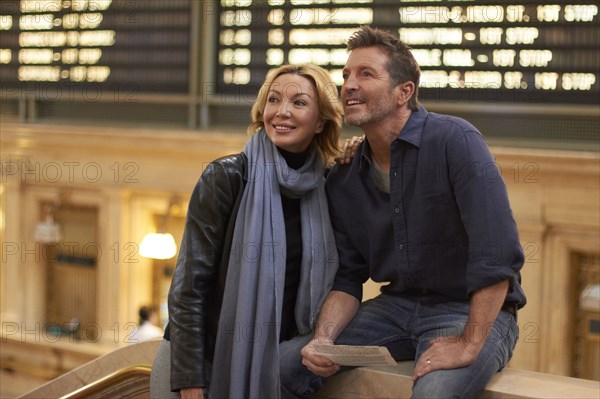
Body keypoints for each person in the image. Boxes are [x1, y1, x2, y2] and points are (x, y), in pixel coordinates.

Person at [279, 26, 526, 399]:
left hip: (468, 310)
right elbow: (347, 278)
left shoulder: (455, 141)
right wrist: (324, 340)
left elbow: (496, 253)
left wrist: (469, 342)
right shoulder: (343, 175)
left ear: (403, 92)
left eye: (366, 74)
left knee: (433, 394)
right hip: (394, 308)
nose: (348, 85)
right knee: (281, 365)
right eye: (346, 75)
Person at [150, 63, 343, 399]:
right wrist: (192, 382)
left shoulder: (329, 186)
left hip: (274, 366)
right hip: (200, 364)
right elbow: (188, 289)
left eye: (299, 103)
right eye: (273, 100)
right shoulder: (225, 177)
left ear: (321, 122)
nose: (281, 112)